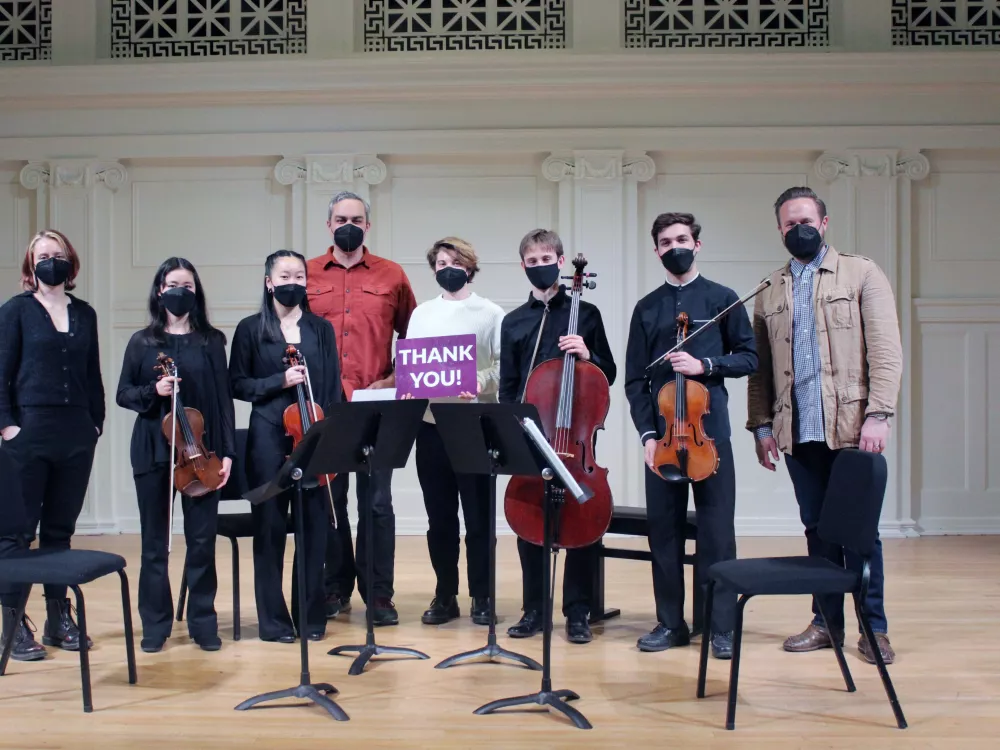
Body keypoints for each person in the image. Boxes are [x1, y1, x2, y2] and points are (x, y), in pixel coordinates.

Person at [747, 186, 902, 665]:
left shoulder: (862, 272)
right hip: (798, 429)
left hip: (852, 426)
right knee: (816, 529)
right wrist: (761, 426)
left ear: (825, 222)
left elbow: (886, 349)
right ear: (779, 230)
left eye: (806, 220)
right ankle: (825, 623)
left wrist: (879, 413)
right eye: (789, 224)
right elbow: (761, 369)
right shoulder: (769, 289)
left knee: (859, 532)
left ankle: (873, 629)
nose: (799, 229)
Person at [624, 212, 757, 658]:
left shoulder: (723, 298)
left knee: (718, 532)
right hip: (662, 439)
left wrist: (707, 366)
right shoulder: (647, 308)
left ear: (696, 244)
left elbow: (749, 358)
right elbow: (634, 382)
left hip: (709, 436)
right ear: (657, 250)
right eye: (665, 241)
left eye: (682, 238)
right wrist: (647, 433)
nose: (674, 246)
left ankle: (721, 626)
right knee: (664, 532)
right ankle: (670, 623)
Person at [498, 228, 616, 645]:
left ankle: (578, 612)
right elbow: (509, 386)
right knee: (530, 526)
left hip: (576, 441)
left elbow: (609, 375)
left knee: (582, 524)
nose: (540, 266)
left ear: (561, 262)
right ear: (523, 266)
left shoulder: (587, 313)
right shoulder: (513, 322)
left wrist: (588, 354)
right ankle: (534, 611)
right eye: (532, 262)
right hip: (534, 436)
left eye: (546, 258)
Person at [306, 191, 417, 626]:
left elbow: (414, 338)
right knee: (331, 501)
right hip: (324, 406)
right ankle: (335, 589)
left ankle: (379, 595)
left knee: (377, 502)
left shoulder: (392, 275)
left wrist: (395, 380)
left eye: (355, 218)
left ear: (367, 226)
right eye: (339, 218)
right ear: (328, 224)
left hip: (377, 405)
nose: (347, 224)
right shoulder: (308, 273)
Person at [116, 257, 236, 653]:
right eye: (172, 284)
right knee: (155, 543)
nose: (179, 291)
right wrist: (156, 391)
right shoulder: (143, 342)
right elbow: (124, 395)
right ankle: (155, 623)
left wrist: (229, 453)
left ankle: (203, 621)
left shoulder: (211, 340)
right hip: (153, 452)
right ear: (159, 290)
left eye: (186, 284)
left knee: (202, 540)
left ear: (196, 292)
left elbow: (222, 403)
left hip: (201, 455)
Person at [0, 230, 104, 662]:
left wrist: (95, 423)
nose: (51, 262)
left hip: (76, 431)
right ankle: (12, 624)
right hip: (28, 430)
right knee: (18, 532)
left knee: (60, 530)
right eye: (43, 255)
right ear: (30, 264)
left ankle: (58, 618)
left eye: (57, 255)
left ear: (70, 261)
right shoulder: (15, 311)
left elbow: (92, 372)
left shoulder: (85, 313)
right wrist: (8, 427)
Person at [230, 250, 342, 643]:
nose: (292, 281)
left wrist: (329, 435)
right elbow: (238, 384)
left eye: (299, 275)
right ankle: (273, 623)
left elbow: (331, 388)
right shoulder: (249, 329)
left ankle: (311, 619)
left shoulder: (320, 330)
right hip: (266, 439)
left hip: (312, 438)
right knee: (270, 529)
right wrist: (279, 381)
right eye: (284, 275)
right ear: (269, 282)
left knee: (313, 531)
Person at [399, 237, 504, 626]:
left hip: (474, 424)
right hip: (431, 425)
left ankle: (482, 595)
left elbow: (502, 367)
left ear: (469, 265)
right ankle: (445, 595)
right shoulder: (421, 313)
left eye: (454, 260)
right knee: (439, 518)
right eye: (440, 262)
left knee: (478, 518)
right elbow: (412, 363)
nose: (447, 267)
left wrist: (477, 382)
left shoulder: (490, 313)